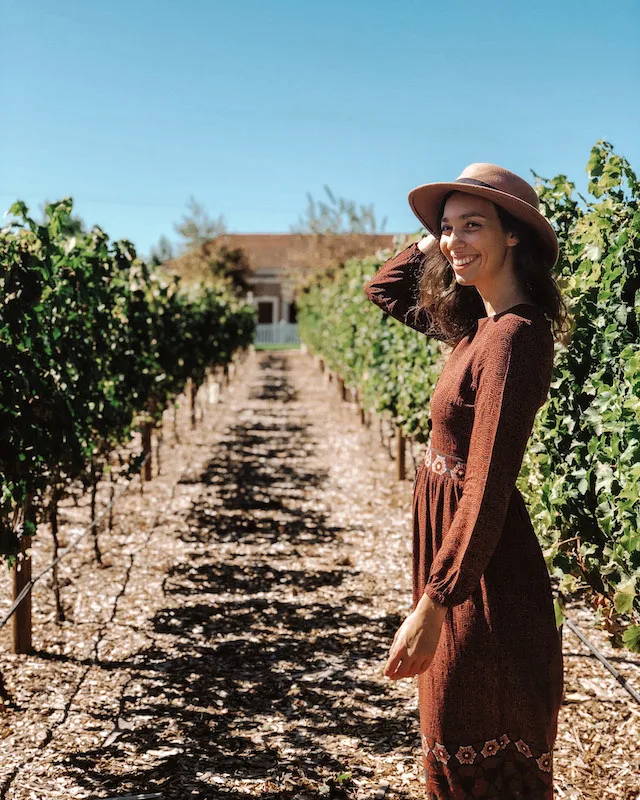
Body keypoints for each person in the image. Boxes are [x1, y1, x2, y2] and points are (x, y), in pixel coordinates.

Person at [363, 163, 568, 799]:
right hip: (458, 559)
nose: (455, 241)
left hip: (483, 578)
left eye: (474, 226)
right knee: (451, 741)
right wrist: (437, 237)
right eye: (448, 228)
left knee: (472, 751)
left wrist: (435, 602)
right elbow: (385, 289)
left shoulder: (512, 339)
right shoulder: (475, 327)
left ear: (515, 237)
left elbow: (486, 485)